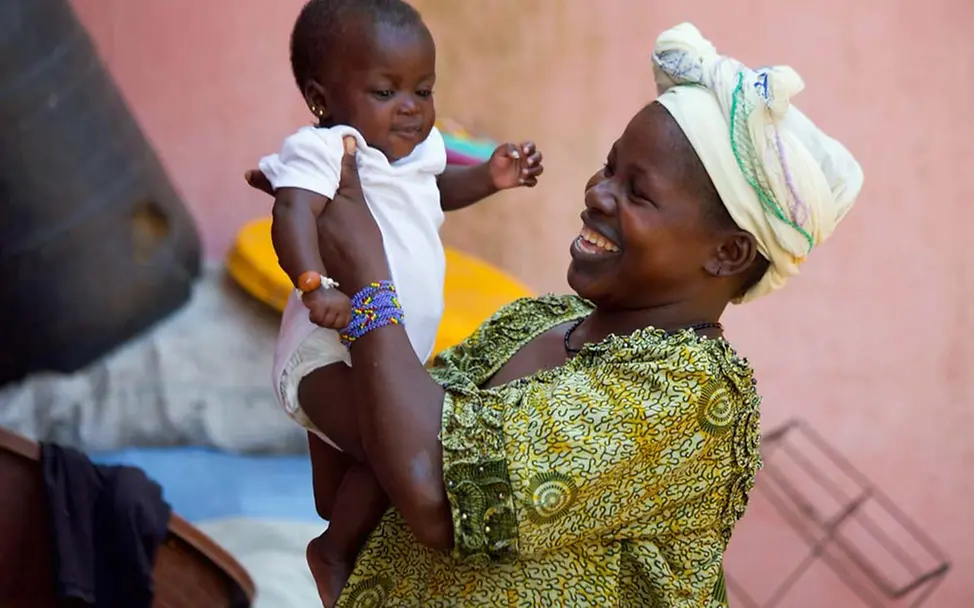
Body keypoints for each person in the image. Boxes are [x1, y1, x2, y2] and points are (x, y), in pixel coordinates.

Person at [246, 21, 863, 607]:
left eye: (636, 191)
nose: (597, 191)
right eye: (610, 166)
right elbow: (370, 466)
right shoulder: (536, 321)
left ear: (727, 254)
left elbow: (435, 494)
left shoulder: (686, 397)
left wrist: (372, 282)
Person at [257, 0, 542, 602]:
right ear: (321, 98)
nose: (411, 107)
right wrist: (316, 284)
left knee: (355, 476)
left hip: (383, 358)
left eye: (424, 89)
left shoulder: (421, 151)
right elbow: (292, 213)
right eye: (386, 92)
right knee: (394, 456)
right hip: (325, 351)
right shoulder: (330, 148)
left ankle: (335, 520)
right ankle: (331, 552)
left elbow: (436, 193)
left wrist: (490, 179)